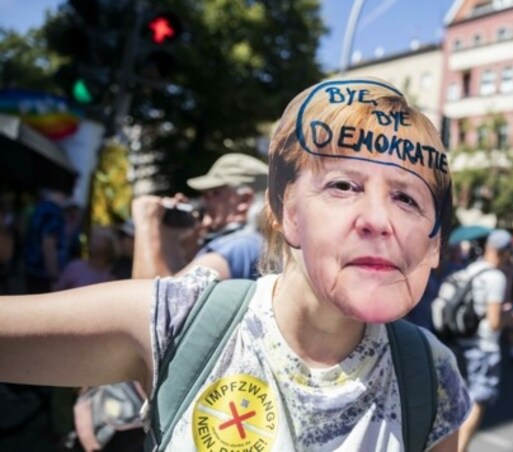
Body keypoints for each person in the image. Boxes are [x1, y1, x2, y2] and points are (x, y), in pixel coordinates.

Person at [0, 77, 471, 451]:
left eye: (406, 198)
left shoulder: (431, 378)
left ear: (434, 245)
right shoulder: (182, 320)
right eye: (343, 186)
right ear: (285, 210)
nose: (377, 219)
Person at [131, 152, 268, 280]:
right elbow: (175, 286)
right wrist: (171, 238)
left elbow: (153, 299)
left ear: (244, 200)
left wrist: (147, 223)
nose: (204, 201)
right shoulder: (257, 245)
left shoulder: (240, 246)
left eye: (213, 193)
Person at [456, 229, 511, 452]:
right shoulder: (496, 277)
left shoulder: (471, 270)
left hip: (462, 342)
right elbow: (495, 321)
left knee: (458, 402)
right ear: (504, 252)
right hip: (484, 346)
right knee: (477, 403)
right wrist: (510, 316)